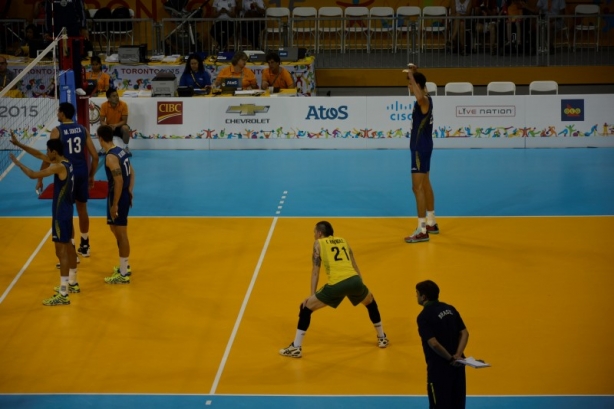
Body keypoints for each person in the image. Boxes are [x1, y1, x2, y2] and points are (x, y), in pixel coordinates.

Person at [279, 221, 389, 358]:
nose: (314, 235)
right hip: (355, 280)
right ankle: (382, 338)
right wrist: (360, 285)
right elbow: (354, 264)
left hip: (337, 284)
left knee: (305, 308)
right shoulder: (343, 241)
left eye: (314, 232)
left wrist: (311, 296)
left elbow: (315, 271)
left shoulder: (318, 244)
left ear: (319, 233)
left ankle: (296, 347)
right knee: (371, 302)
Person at [9, 136, 79, 306]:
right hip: (68, 211)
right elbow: (39, 156)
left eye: (48, 151)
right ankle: (73, 282)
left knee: (60, 252)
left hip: (60, 214)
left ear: (54, 152)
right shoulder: (67, 162)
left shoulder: (58, 167)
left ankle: (63, 294)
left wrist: (17, 164)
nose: (46, 154)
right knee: (69, 246)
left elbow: (33, 175)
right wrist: (19, 144)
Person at [43, 102, 99, 262]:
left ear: (62, 113)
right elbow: (95, 157)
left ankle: (72, 249)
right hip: (81, 172)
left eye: (58, 111)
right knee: (82, 209)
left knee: (67, 211)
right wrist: (91, 175)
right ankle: (86, 244)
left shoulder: (57, 131)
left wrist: (40, 178)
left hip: (66, 173)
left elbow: (49, 157)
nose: (57, 114)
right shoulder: (83, 129)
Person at [416, 280, 469, 409]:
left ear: (424, 297)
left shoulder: (424, 316)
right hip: (459, 367)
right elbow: (464, 333)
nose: (416, 297)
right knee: (457, 404)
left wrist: (450, 358)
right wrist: (457, 355)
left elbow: (434, 343)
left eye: (417, 294)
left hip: (439, 370)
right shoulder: (450, 309)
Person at [97, 125, 135, 284]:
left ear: (100, 139)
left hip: (117, 196)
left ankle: (124, 273)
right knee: (114, 228)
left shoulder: (110, 157)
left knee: (121, 233)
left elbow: (118, 181)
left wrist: (115, 204)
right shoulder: (120, 150)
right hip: (121, 194)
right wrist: (130, 191)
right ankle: (123, 264)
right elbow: (132, 172)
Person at [404, 64, 438, 244]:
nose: (408, 87)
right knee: (425, 183)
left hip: (419, 149)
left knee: (416, 188)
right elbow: (420, 91)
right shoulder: (428, 98)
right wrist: (414, 74)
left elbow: (418, 95)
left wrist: (411, 74)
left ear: (417, 85)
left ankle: (421, 229)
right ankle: (431, 221)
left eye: (410, 84)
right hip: (425, 147)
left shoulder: (423, 101)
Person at [99, 89, 132, 155]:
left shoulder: (123, 105)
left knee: (125, 128)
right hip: (109, 127)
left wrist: (115, 125)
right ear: (109, 98)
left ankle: (126, 148)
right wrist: (107, 126)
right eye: (114, 96)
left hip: (119, 126)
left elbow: (124, 121)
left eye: (117, 95)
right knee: (100, 129)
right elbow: (102, 120)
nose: (117, 97)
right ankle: (103, 148)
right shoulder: (104, 105)